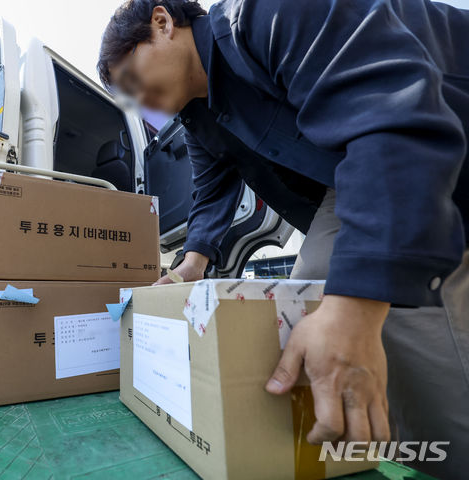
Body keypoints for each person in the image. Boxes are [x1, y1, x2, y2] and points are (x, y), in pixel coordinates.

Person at [97, 0, 469, 477]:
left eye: (131, 78)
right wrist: (189, 267)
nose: (138, 97)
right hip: (358, 172)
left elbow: (392, 118)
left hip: (427, 142)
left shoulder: (267, 13)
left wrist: (355, 307)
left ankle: (449, 446)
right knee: (304, 304)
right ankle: (380, 443)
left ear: (163, 22)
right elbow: (211, 191)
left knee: (391, 315)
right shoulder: (197, 118)